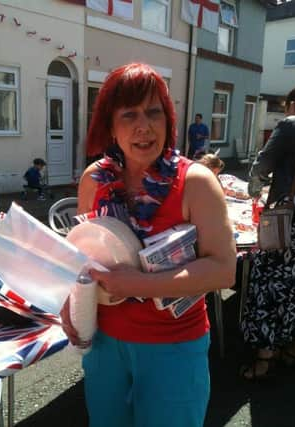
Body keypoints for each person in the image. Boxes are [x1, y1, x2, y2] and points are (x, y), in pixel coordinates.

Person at [60, 63, 235, 427]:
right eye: (130, 115)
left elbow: (223, 268)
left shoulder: (197, 182)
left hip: (173, 348)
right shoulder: (94, 180)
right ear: (110, 125)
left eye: (154, 112)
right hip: (105, 345)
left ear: (168, 120)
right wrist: (69, 304)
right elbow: (79, 255)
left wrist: (137, 284)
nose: (144, 126)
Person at [242, 87, 295, 379]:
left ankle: (265, 358)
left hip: (289, 221)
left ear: (292, 104)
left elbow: (261, 167)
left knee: (269, 285)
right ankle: (292, 348)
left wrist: (255, 189)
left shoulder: (292, 125)